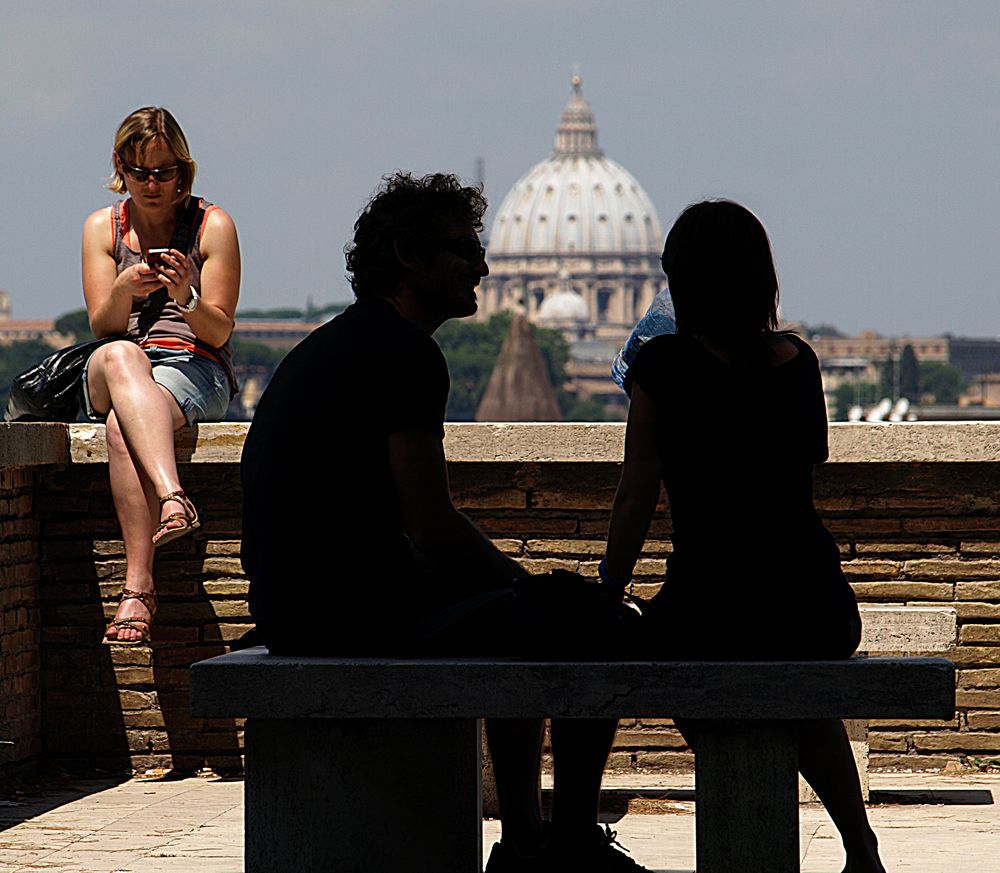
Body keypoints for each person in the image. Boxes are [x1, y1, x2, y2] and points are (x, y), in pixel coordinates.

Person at [241, 171, 648, 872]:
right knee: (594, 624)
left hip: (302, 601)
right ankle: (565, 839)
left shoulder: (339, 343)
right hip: (351, 610)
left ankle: (524, 836)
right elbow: (431, 524)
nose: (483, 266)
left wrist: (517, 591)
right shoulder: (405, 353)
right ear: (406, 253)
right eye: (463, 248)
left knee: (516, 616)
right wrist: (531, 584)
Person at [602, 200, 886, 873]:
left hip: (709, 609)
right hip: (817, 605)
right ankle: (859, 844)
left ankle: (564, 834)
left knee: (613, 652)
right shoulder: (802, 360)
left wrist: (608, 589)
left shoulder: (662, 366)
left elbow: (636, 491)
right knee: (795, 688)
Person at [82, 107, 240, 645]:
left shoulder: (213, 225)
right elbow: (102, 326)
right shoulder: (102, 228)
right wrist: (124, 289)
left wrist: (186, 297)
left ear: (183, 172)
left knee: (122, 429)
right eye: (140, 172)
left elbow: (217, 333)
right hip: (117, 363)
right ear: (121, 169)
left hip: (193, 366)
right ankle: (174, 496)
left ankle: (138, 590)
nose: (152, 185)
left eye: (164, 172)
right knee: (124, 355)